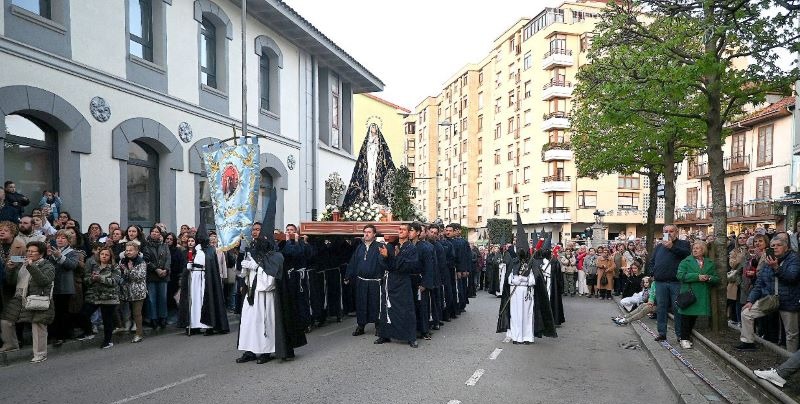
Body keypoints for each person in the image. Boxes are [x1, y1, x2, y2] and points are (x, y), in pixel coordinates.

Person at [736, 236, 800, 352]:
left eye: (778, 245)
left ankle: (791, 359)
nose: (775, 247)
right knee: (746, 313)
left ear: (786, 247)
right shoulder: (768, 261)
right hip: (769, 299)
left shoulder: (793, 259)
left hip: (788, 300)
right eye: (772, 246)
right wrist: (750, 301)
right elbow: (759, 284)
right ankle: (748, 342)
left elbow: (792, 277)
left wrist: (776, 267)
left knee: (791, 334)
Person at [0, 241, 55, 363]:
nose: (29, 253)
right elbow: (12, 281)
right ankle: (11, 345)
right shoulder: (22, 265)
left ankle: (40, 354)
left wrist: (31, 266)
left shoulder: (48, 265)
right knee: (5, 321)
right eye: (28, 251)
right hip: (20, 297)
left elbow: (44, 281)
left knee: (38, 325)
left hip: (38, 299)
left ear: (40, 254)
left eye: (32, 251)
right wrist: (10, 269)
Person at [375, 223, 419, 348]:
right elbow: (383, 263)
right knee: (387, 307)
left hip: (403, 281)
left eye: (404, 229)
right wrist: (385, 257)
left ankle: (411, 337)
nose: (400, 231)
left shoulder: (411, 248)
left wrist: (393, 258)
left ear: (409, 232)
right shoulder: (390, 246)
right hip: (390, 281)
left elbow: (409, 266)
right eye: (399, 229)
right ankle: (384, 334)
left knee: (406, 309)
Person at [648, 224, 691, 342]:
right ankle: (662, 333)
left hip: (676, 283)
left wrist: (672, 247)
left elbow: (687, 255)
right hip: (660, 282)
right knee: (661, 308)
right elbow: (652, 261)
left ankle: (679, 334)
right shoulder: (658, 247)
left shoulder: (684, 244)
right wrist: (653, 272)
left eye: (671, 231)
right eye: (666, 231)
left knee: (678, 308)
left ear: (676, 232)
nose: (668, 233)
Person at [341, 122, 397, 209]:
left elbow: (386, 156)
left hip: (376, 166)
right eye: (372, 127)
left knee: (376, 181)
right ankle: (368, 202)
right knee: (368, 182)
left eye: (375, 127)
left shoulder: (381, 143)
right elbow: (362, 156)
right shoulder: (367, 143)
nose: (373, 129)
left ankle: (376, 200)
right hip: (369, 164)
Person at [345, 224, 387, 336]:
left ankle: (378, 326)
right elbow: (353, 262)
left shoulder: (380, 246)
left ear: (374, 234)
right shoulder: (360, 247)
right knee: (361, 304)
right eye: (365, 232)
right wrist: (347, 276)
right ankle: (361, 326)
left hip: (375, 282)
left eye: (369, 232)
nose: (366, 234)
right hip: (361, 281)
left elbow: (384, 263)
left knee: (375, 304)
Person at [676, 242, 719, 349]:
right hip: (689, 294)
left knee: (693, 317)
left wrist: (709, 278)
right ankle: (684, 338)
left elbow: (716, 278)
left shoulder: (710, 263)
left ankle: (687, 336)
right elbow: (680, 275)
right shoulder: (686, 261)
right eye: (694, 248)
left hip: (701, 295)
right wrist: (697, 277)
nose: (695, 250)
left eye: (698, 248)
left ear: (703, 250)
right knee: (686, 317)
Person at [77, 247, 121, 348]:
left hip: (109, 297)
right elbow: (86, 280)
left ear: (110, 256)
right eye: (102, 254)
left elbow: (115, 281)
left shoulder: (115, 267)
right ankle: (89, 332)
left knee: (107, 320)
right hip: (94, 296)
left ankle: (107, 341)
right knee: (83, 314)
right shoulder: (94, 266)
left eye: (106, 255)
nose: (104, 256)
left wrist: (100, 278)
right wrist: (92, 279)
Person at [47, 229, 83, 346]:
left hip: (65, 287)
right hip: (53, 286)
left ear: (68, 240)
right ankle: (53, 335)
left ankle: (61, 336)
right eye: (58, 238)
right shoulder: (52, 251)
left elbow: (71, 265)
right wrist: (50, 256)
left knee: (62, 312)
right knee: (54, 312)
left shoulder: (72, 252)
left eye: (63, 238)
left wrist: (59, 256)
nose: (60, 240)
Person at [279, 224, 312, 333]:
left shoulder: (301, 243)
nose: (289, 232)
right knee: (291, 300)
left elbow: (298, 253)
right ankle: (293, 323)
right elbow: (286, 253)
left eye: (291, 230)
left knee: (302, 301)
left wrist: (298, 241)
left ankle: (305, 323)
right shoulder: (283, 243)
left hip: (299, 277)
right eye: (287, 230)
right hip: (289, 277)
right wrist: (288, 241)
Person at [409, 222, 436, 340]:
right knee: (411, 306)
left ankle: (424, 330)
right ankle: (411, 329)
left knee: (422, 306)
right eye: (408, 230)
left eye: (412, 230)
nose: (409, 233)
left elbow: (429, 267)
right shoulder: (407, 246)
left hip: (420, 280)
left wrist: (424, 283)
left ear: (418, 233)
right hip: (409, 280)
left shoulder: (425, 248)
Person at [119, 241, 147, 343]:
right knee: (121, 310)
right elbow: (120, 274)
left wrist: (129, 270)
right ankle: (122, 326)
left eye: (131, 250)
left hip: (138, 291)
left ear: (136, 251)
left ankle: (139, 334)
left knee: (137, 313)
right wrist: (125, 271)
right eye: (127, 250)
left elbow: (139, 277)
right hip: (125, 291)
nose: (128, 252)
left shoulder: (141, 262)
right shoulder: (122, 261)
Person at [143, 226, 170, 330]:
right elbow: (146, 260)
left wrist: (166, 270)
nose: (154, 233)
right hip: (152, 276)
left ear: (160, 234)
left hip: (164, 275)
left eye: (157, 232)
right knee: (152, 299)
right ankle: (153, 318)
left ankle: (163, 318)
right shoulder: (146, 246)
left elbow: (168, 259)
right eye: (153, 231)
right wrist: (156, 269)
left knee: (163, 298)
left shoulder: (164, 245)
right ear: (150, 233)